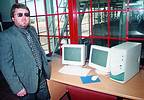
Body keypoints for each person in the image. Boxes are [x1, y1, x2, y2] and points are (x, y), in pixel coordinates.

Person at [0, 3, 51, 100]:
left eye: (26, 14)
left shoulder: (32, 29)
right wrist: (17, 87)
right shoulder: (5, 36)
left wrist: (45, 70)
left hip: (41, 77)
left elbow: (38, 50)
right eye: (19, 15)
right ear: (13, 18)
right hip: (25, 82)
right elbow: (5, 65)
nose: (24, 17)